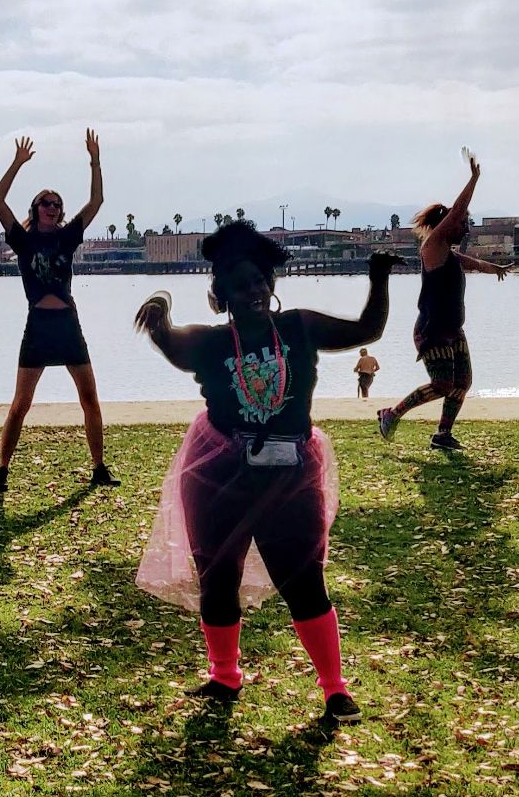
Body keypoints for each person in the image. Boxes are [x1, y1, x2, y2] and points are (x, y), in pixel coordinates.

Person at [134, 221, 396, 724]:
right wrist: (159, 316)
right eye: (240, 286)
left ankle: (334, 689)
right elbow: (171, 343)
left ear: (271, 284)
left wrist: (378, 275)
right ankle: (224, 676)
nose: (253, 292)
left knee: (305, 582)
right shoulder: (212, 343)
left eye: (259, 281)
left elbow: (368, 331)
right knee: (218, 579)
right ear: (222, 295)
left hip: (291, 473)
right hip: (218, 475)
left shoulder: (299, 327)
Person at [0, 131, 116, 494]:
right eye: (45, 202)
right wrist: (17, 163)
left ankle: (98, 467)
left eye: (56, 203)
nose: (52, 207)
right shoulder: (23, 240)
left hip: (67, 325)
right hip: (38, 327)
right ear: (35, 208)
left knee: (89, 399)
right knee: (21, 404)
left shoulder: (67, 237)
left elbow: (97, 200)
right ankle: (2, 469)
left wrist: (94, 159)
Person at [378, 150, 506, 452]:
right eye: (463, 225)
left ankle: (442, 435)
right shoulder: (433, 246)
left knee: (462, 382)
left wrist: (495, 269)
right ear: (448, 225)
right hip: (433, 329)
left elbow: (472, 263)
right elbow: (459, 209)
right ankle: (391, 414)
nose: (465, 228)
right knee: (442, 385)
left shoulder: (448, 254)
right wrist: (474, 179)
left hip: (453, 329)